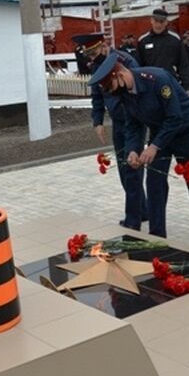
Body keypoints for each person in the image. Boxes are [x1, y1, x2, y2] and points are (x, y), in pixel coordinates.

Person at [88, 53, 189, 241]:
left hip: (185, 129)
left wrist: (154, 146)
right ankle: (157, 233)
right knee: (154, 181)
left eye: (110, 87)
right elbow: (132, 123)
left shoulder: (157, 79)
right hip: (160, 132)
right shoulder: (123, 92)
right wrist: (133, 149)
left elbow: (175, 117)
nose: (111, 92)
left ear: (120, 75)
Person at [73, 32, 148, 229]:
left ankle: (134, 220)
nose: (90, 58)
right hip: (118, 122)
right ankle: (142, 209)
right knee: (124, 170)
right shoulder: (97, 65)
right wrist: (97, 121)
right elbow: (97, 95)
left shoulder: (126, 61)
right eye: (88, 55)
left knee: (132, 169)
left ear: (104, 45)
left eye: (93, 52)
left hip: (134, 121)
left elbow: (138, 90)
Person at [136, 8, 189, 91]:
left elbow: (183, 63)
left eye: (161, 22)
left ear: (166, 22)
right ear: (151, 20)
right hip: (150, 84)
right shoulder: (143, 41)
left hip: (171, 82)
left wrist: (187, 85)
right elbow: (138, 66)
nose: (158, 25)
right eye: (156, 21)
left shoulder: (175, 39)